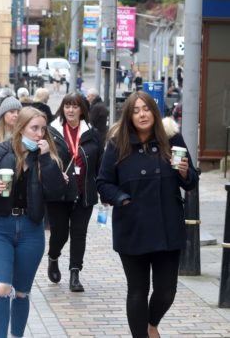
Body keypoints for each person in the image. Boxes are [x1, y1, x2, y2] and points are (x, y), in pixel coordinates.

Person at [96, 91, 198, 338]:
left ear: (154, 111)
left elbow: (191, 181)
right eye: (136, 110)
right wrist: (122, 199)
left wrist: (185, 173)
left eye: (146, 109)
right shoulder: (117, 145)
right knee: (137, 291)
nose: (142, 114)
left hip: (167, 227)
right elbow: (103, 182)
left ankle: (152, 323)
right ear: (129, 116)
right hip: (133, 226)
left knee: (166, 291)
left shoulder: (172, 140)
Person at [0, 107, 67, 338]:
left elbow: (57, 193)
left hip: (31, 229)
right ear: (20, 128)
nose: (39, 134)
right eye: (34, 128)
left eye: (43, 129)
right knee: (2, 287)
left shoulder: (47, 157)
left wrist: (47, 161)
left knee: (22, 292)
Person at [46, 93, 103, 292]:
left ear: (82, 110)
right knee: (60, 234)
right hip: (59, 194)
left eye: (75, 106)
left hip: (84, 191)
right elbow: (44, 162)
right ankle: (53, 257)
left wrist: (103, 191)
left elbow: (100, 163)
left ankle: (75, 273)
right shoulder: (51, 132)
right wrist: (55, 173)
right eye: (67, 106)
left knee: (79, 234)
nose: (70, 110)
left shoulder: (92, 133)